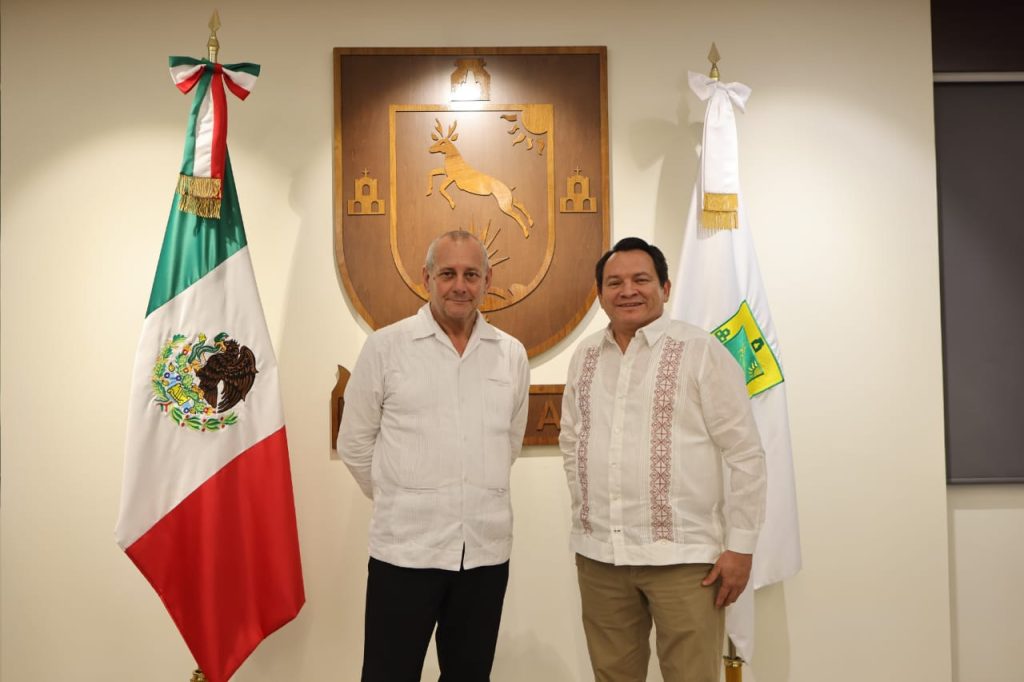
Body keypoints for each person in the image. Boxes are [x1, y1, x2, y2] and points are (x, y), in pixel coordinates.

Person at [559, 237, 766, 682]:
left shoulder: (700, 351)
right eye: (614, 282)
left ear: (665, 288)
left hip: (685, 561)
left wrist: (741, 546)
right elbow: (572, 438)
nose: (627, 291)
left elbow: (745, 451)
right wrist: (587, 510)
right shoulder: (585, 356)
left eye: (641, 279)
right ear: (600, 294)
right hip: (601, 559)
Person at [338, 230, 530, 681]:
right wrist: (401, 496)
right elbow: (355, 443)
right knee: (388, 674)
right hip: (405, 553)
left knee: (470, 675)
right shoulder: (386, 348)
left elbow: (509, 442)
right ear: (426, 278)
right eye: (447, 274)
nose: (459, 286)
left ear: (487, 280)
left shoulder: (510, 354)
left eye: (471, 274)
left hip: (484, 555)